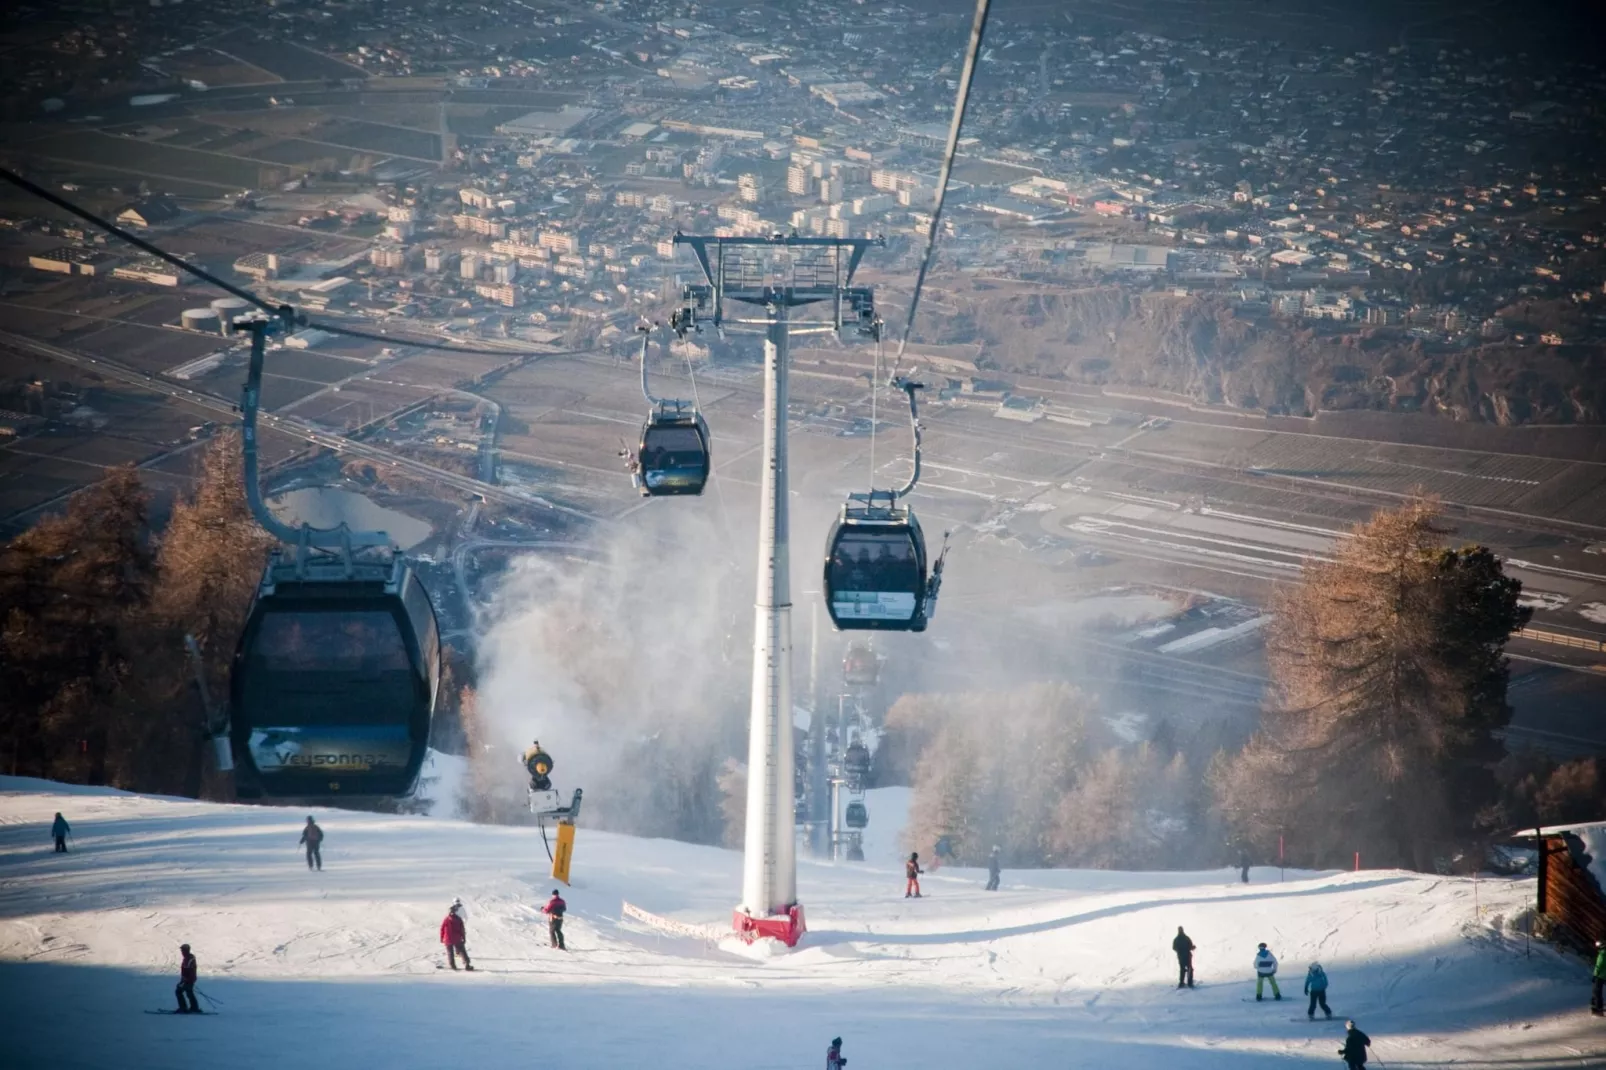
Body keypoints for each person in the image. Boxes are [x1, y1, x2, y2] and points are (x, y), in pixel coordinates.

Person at [440, 902, 472, 971]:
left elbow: (442, 929)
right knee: (462, 951)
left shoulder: (446, 919)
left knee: (450, 952)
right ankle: (467, 964)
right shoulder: (458, 919)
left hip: (447, 939)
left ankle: (452, 965)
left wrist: (442, 938)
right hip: (457, 938)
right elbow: (462, 929)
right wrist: (464, 938)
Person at [175, 944, 199, 1013]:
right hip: (187, 979)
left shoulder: (190, 958)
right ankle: (194, 1008)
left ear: (186, 950)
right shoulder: (186, 958)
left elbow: (189, 970)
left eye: (182, 950)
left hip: (189, 979)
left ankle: (184, 1008)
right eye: (181, 950)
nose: (181, 951)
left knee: (179, 991)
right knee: (188, 992)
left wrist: (186, 979)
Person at [1591, 939, 1606, 1016]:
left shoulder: (1602, 954)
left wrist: (1595, 975)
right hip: (1603, 975)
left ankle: (1598, 1009)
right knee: (1597, 992)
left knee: (1596, 992)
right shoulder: (1603, 953)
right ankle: (1595, 1008)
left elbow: (1598, 966)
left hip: (1599, 976)